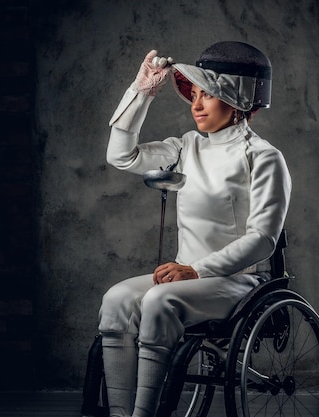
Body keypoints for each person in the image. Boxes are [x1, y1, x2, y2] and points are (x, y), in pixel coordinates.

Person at [97, 41, 292, 417]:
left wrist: (196, 270)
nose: (196, 105)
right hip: (187, 276)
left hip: (240, 282)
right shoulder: (186, 146)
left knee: (158, 300)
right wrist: (141, 94)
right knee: (116, 300)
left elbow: (263, 239)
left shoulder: (265, 157)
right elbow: (121, 156)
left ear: (238, 100)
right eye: (195, 94)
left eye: (209, 95)